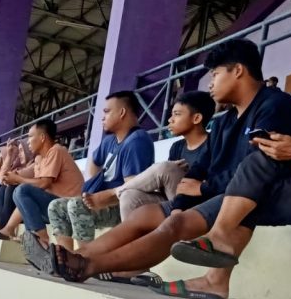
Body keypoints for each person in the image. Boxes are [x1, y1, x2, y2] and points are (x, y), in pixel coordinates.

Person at [49, 38, 291, 297]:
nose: (210, 83)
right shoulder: (224, 122)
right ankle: (77, 256)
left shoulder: (275, 106)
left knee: (174, 227)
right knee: (146, 215)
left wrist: (204, 189)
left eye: (215, 73)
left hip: (259, 196)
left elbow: (257, 170)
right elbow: (199, 169)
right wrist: (178, 206)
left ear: (238, 71)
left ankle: (89, 266)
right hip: (224, 194)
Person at [159, 22, 291, 298]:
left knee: (258, 178)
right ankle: (216, 271)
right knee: (259, 171)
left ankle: (218, 248)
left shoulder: (274, 103)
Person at [83, 91, 214, 222]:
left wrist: (173, 172)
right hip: (174, 199)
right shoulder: (177, 147)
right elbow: (166, 187)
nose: (170, 119)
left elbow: (217, 181)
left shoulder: (213, 144)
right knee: (129, 196)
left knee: (165, 167)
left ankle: (114, 191)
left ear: (196, 118)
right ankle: (132, 240)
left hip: (198, 203)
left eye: (177, 114)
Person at [46, 91, 155, 247]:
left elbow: (133, 189)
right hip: (104, 201)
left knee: (76, 205)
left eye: (107, 111)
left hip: (121, 206)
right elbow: (94, 161)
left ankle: (86, 261)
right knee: (55, 207)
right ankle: (66, 257)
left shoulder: (137, 141)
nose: (103, 117)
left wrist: (103, 198)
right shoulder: (110, 140)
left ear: (122, 112)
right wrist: (95, 185)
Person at [6, 119, 84, 267]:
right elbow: (8, 180)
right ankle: (35, 239)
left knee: (22, 190)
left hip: (69, 207)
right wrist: (9, 162)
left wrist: (18, 179)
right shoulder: (40, 159)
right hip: (54, 205)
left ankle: (41, 240)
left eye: (30, 136)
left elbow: (44, 183)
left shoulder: (57, 150)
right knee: (18, 192)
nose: (27, 142)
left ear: (42, 138)